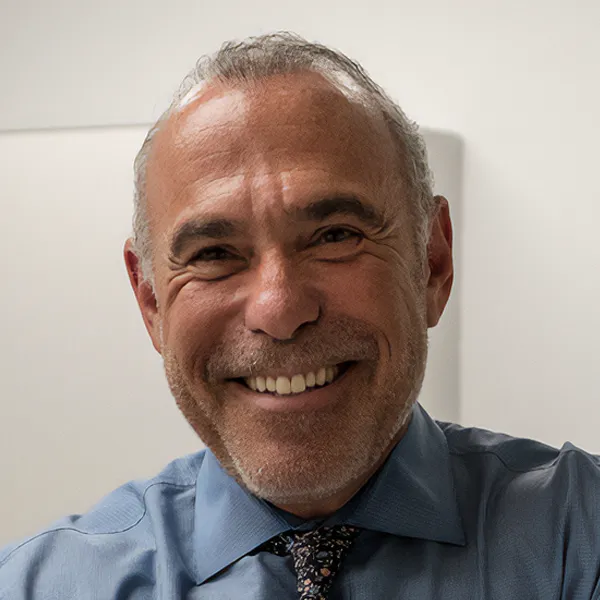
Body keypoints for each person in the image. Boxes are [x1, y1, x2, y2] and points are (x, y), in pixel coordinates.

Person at [1, 32, 599, 600]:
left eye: (335, 235)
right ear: (151, 301)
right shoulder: (37, 586)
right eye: (213, 254)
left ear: (432, 263)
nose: (279, 310)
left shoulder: (581, 536)